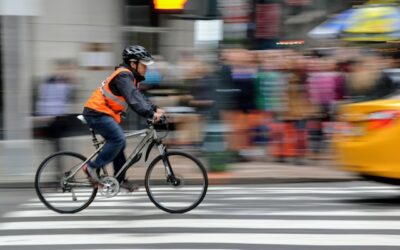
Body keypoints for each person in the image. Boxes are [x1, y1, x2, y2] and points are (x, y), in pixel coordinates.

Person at [82, 45, 165, 190]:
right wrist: (151, 114)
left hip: (104, 113)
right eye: (144, 64)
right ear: (133, 63)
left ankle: (120, 180)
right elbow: (133, 100)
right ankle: (92, 167)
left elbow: (139, 97)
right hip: (96, 113)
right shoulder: (123, 75)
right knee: (118, 139)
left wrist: (154, 108)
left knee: (120, 142)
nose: (146, 68)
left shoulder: (130, 78)